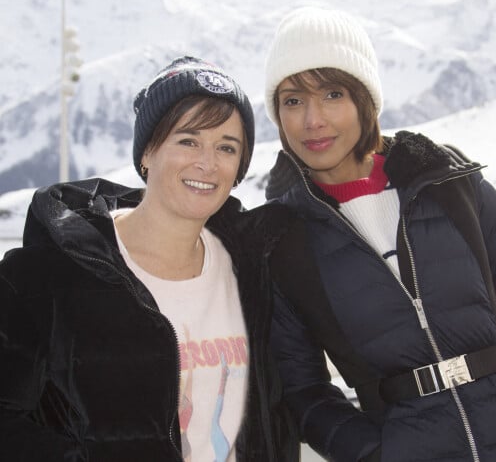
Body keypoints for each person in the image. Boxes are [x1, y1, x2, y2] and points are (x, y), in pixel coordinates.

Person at [258, 6, 496, 461]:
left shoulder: (448, 183)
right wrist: (373, 453)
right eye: (293, 100)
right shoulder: (282, 238)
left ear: (364, 100)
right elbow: (301, 388)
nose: (313, 119)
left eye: (332, 93)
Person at [0, 56, 297, 462]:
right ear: (148, 152)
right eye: (188, 140)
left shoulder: (251, 268)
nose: (207, 163)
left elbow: (271, 409)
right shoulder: (48, 274)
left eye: (226, 147)